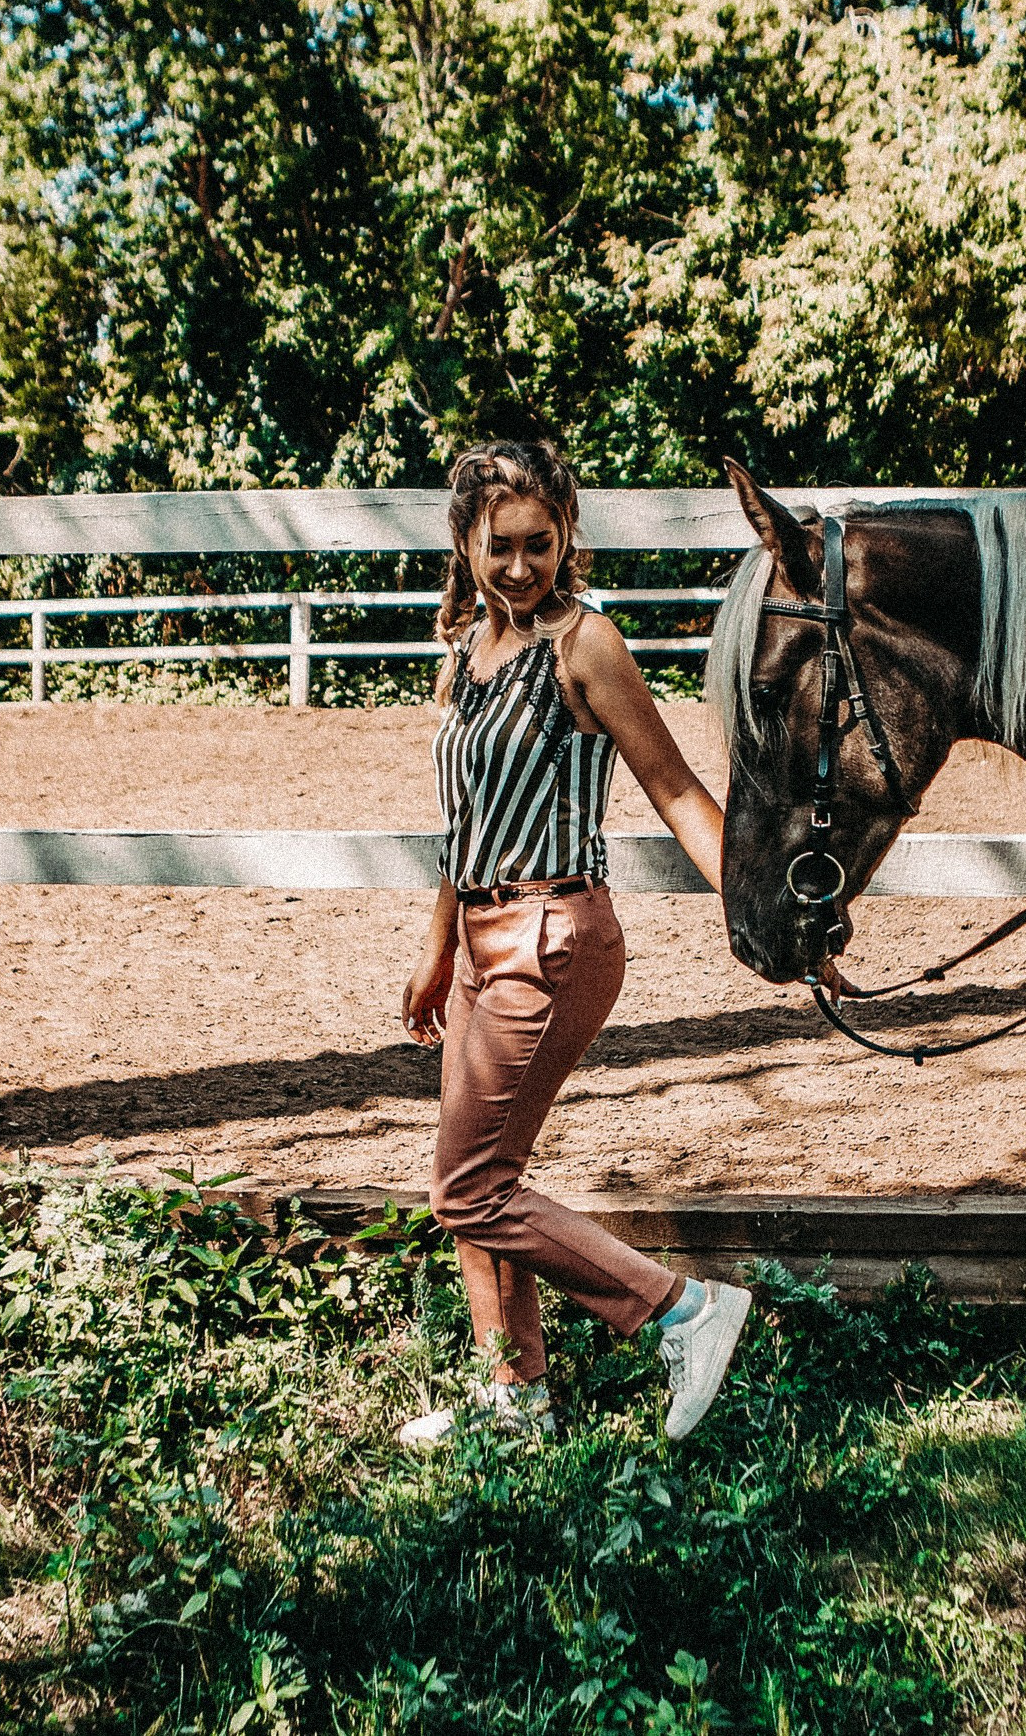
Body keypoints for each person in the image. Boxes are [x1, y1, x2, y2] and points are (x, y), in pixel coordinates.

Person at [398, 441, 751, 1448]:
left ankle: (682, 1309)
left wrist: (767, 912)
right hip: (478, 935)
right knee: (479, 1175)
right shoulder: (465, 654)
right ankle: (513, 1411)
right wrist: (437, 947)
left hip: (554, 939)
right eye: (498, 547)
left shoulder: (584, 645)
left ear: (566, 539)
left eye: (539, 545)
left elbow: (677, 791)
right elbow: (459, 825)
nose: (519, 567)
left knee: (466, 1186)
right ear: (463, 544)